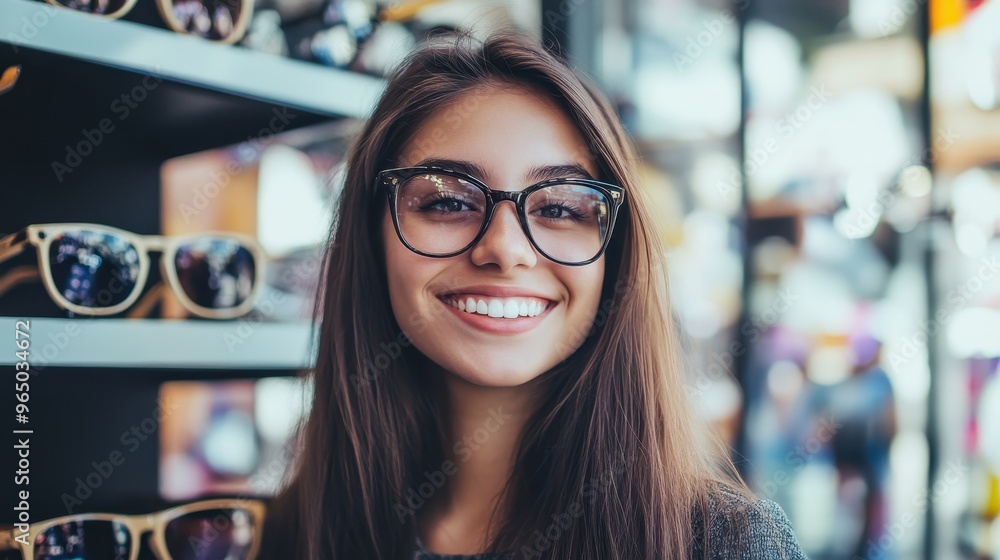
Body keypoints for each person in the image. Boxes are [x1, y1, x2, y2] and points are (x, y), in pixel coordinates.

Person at [260, 31, 808, 560]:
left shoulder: (722, 544)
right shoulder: (293, 532)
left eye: (561, 208)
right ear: (371, 238)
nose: (506, 249)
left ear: (614, 255)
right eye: (448, 202)